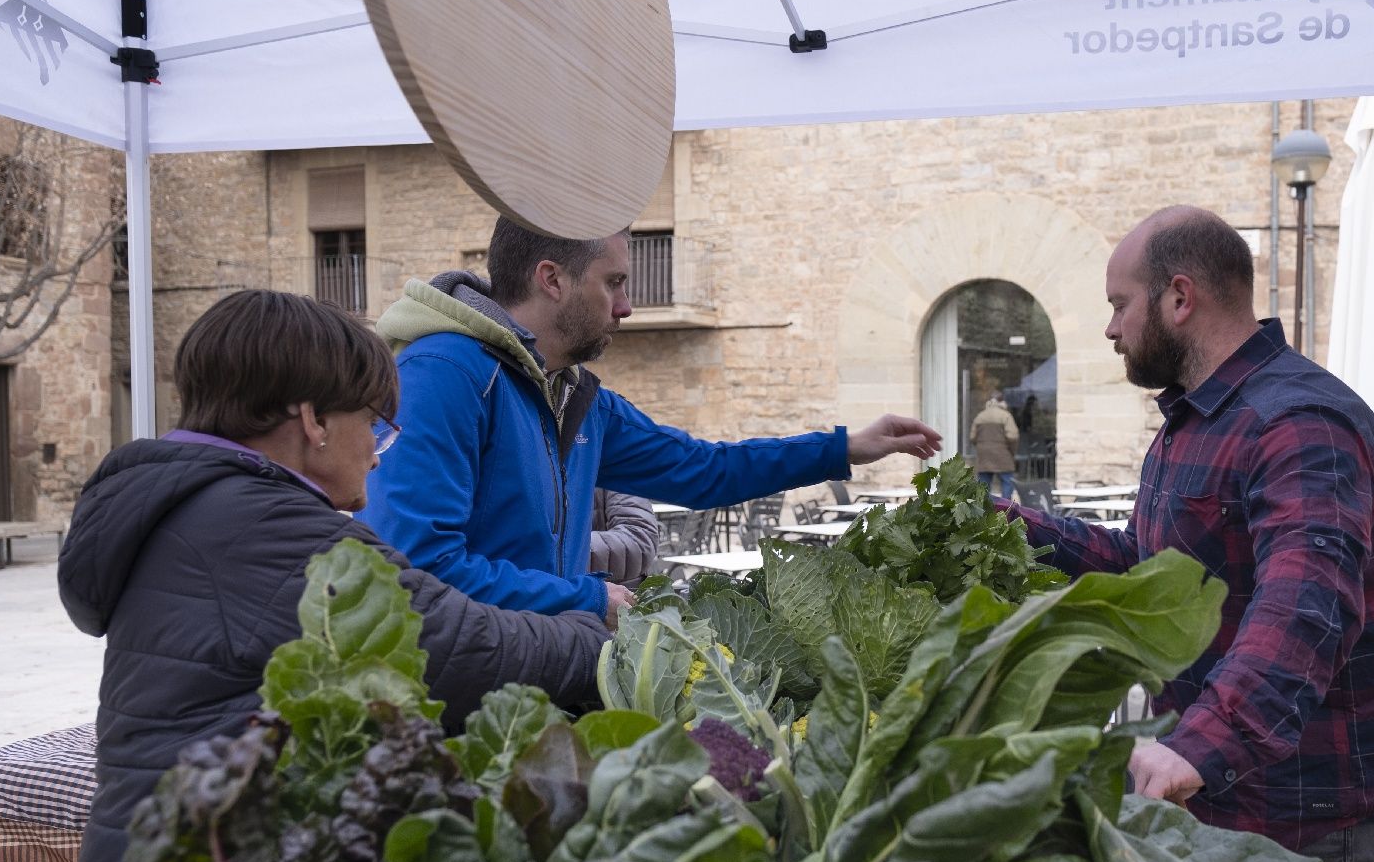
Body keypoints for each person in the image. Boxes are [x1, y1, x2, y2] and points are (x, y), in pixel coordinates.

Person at [56, 290, 615, 862]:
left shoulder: (202, 507)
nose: (380, 450)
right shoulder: (254, 522)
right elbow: (455, 645)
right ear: (312, 418)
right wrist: (607, 641)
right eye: (373, 422)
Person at [999, 207, 1374, 862]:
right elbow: (1151, 569)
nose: (1109, 326)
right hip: (1243, 792)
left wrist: (1198, 741)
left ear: (1179, 297)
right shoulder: (1195, 423)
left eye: (1120, 304)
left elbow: (1306, 601)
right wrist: (1012, 530)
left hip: (1323, 800)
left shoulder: (1300, 420)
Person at [357, 218, 940, 621]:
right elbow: (417, 566)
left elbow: (704, 469)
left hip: (539, 663)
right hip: (462, 693)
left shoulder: (576, 397)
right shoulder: (445, 374)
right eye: (613, 282)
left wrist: (842, 449)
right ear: (551, 278)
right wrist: (587, 599)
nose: (626, 305)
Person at [589, 485, 660, 588]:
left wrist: (569, 551)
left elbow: (639, 539)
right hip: (581, 592)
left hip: (611, 595)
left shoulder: (607, 470)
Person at [969, 394, 1019, 498]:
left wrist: (982, 446)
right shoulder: (1005, 416)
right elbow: (1013, 437)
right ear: (1003, 403)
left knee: (983, 485)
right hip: (1003, 454)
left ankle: (984, 509)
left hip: (984, 456)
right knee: (1007, 482)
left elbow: (972, 437)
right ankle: (1006, 508)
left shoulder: (980, 416)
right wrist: (1012, 451)